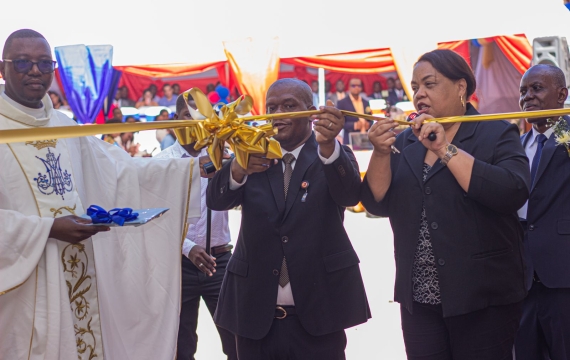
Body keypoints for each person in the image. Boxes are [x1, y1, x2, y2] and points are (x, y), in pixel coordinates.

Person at [0, 29, 203, 360]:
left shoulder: (63, 126)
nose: (35, 71)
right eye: (22, 63)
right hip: (23, 289)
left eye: (43, 63)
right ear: (2, 68)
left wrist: (197, 167)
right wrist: (49, 228)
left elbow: (120, 171)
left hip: (78, 280)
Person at [361, 49, 530, 359]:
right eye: (414, 87)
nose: (419, 94)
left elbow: (512, 191)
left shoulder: (495, 132)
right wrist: (381, 153)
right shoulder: (406, 142)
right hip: (420, 298)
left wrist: (444, 149)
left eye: (430, 84)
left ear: (461, 87)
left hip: (483, 296)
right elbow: (377, 202)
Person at [207, 78, 370, 360]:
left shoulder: (331, 153)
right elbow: (217, 200)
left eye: (288, 106)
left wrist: (329, 147)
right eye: (272, 107)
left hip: (320, 313)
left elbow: (349, 196)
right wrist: (237, 168)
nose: (278, 113)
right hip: (253, 315)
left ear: (311, 113)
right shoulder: (252, 153)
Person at [156, 94, 237, 360]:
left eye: (200, 116)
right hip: (179, 264)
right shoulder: (162, 162)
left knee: (237, 340)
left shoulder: (223, 156)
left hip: (220, 259)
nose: (193, 123)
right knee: (181, 344)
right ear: (175, 121)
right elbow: (160, 216)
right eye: (187, 116)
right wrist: (187, 248)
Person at [514, 64, 570, 360]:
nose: (527, 97)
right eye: (523, 91)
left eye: (537, 89)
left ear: (562, 94)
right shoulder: (516, 146)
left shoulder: (568, 136)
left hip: (563, 276)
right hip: (521, 279)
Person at [337, 77, 372, 145]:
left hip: (366, 137)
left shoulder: (366, 102)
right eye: (353, 86)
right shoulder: (342, 103)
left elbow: (371, 119)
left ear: (361, 88)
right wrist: (354, 125)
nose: (356, 87)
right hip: (350, 139)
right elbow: (339, 122)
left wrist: (369, 124)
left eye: (359, 86)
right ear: (349, 87)